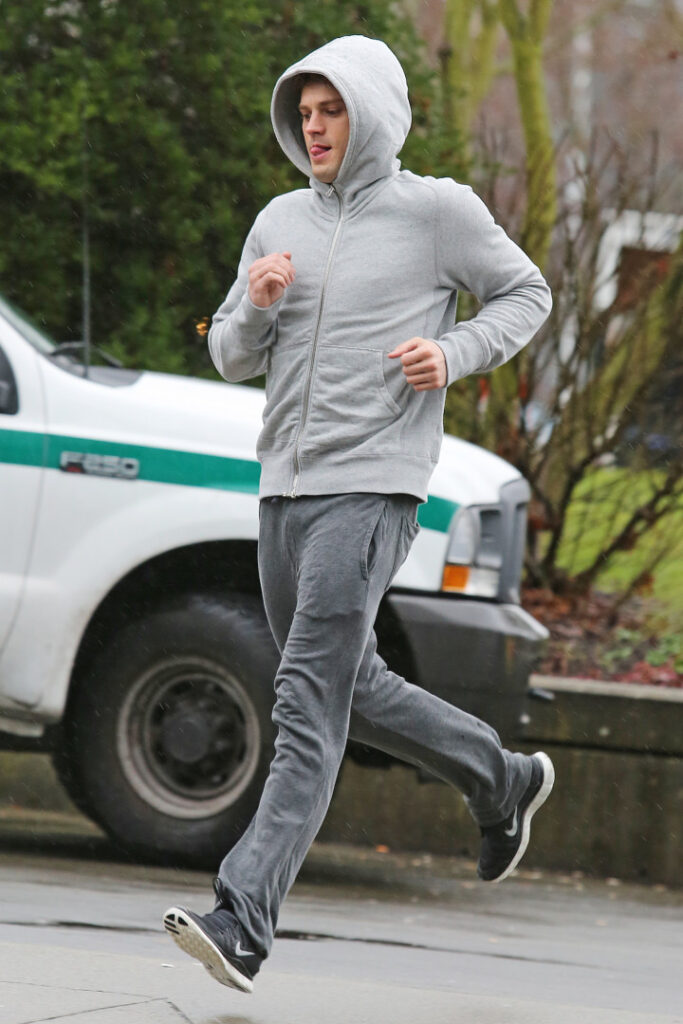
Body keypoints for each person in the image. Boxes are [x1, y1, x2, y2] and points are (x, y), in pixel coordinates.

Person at [163, 35, 554, 994]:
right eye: (303, 112)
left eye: (330, 109)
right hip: (283, 489)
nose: (313, 126)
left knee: (304, 696)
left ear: (370, 112)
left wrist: (452, 354)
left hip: (372, 484)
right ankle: (501, 780)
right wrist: (255, 306)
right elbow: (229, 355)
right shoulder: (278, 219)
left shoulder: (436, 212)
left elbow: (527, 292)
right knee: (352, 688)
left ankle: (242, 918)